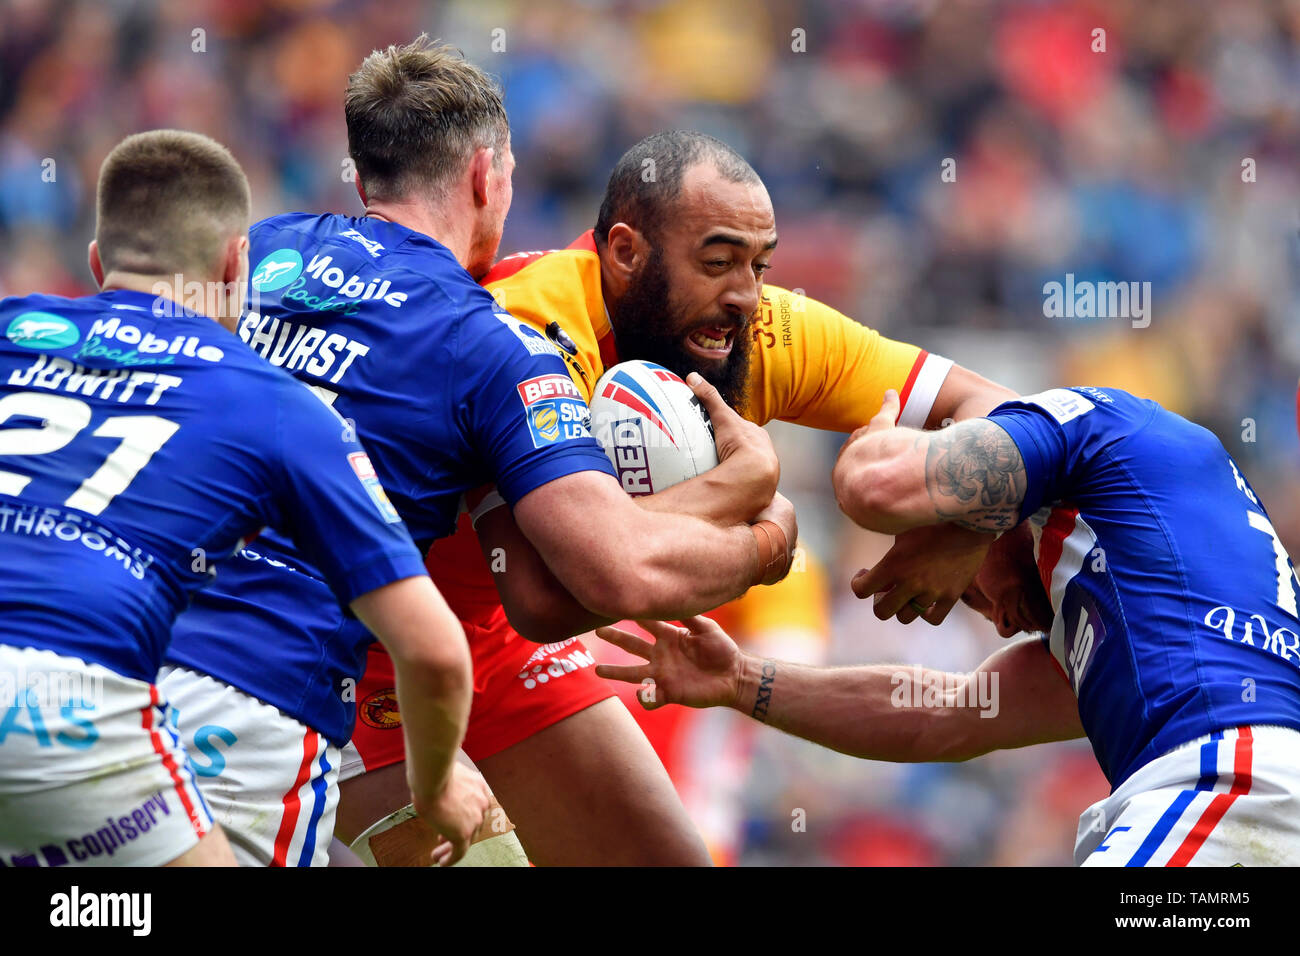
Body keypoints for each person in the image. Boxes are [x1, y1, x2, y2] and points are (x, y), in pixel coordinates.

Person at [163, 40, 792, 867]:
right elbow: (613, 573)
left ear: (363, 179)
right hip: (289, 687)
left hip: (115, 632)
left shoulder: (253, 254)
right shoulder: (496, 343)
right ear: (486, 178)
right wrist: (763, 533)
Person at [340, 129, 1017, 865]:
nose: (746, 297)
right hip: (372, 646)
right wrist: (760, 533)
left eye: (760, 265)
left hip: (500, 648)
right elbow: (548, 595)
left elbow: (1000, 409)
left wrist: (967, 520)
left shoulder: (762, 335)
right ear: (625, 253)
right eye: (718, 262)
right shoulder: (519, 325)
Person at [0, 129, 485, 868]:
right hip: (74, 705)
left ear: (98, 264)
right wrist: (437, 786)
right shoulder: (278, 405)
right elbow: (434, 652)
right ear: (236, 266)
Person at [597, 385, 1300, 866]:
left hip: (1234, 793)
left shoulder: (1100, 425)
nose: (997, 622)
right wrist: (740, 681)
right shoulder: (1142, 580)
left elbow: (875, 484)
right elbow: (943, 718)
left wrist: (920, 480)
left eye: (965, 595)